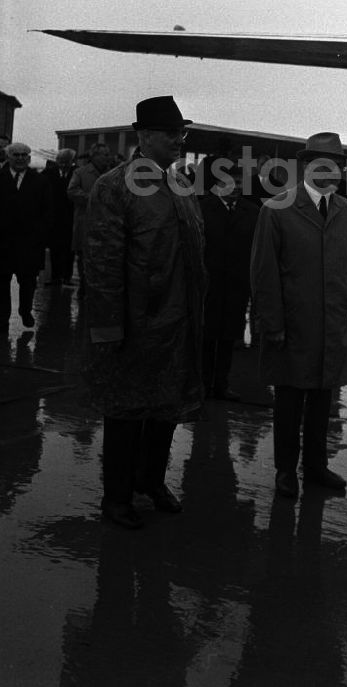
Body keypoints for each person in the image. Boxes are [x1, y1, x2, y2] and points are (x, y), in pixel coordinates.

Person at [81, 96, 207, 530]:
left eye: (182, 133)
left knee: (165, 409)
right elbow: (100, 262)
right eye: (172, 134)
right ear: (144, 136)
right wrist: (108, 327)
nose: (179, 140)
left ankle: (150, 481)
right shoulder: (115, 187)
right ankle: (116, 498)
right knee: (125, 412)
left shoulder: (181, 185)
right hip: (135, 325)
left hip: (178, 322)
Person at [251, 132, 347, 499]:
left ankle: (316, 467)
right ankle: (286, 471)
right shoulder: (277, 209)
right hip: (292, 326)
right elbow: (263, 273)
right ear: (305, 166)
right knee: (288, 401)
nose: (330, 170)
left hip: (332, 324)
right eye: (322, 163)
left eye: (336, 165)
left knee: (323, 401)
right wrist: (272, 324)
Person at [199, 158, 260, 402]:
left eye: (238, 183)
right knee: (206, 337)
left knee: (228, 338)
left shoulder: (252, 211)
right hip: (209, 284)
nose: (234, 186)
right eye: (230, 182)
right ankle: (202, 385)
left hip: (237, 285)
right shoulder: (203, 208)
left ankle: (221, 385)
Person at [1, 142, 52, 329]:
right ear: (9, 157)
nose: (21, 158)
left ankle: (25, 311)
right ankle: (2, 317)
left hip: (29, 243)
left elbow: (47, 211)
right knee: (1, 282)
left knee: (28, 282)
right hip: (3, 243)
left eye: (24, 155)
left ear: (29, 158)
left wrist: (40, 236)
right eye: (16, 154)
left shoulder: (40, 181)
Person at [67, 143, 114, 299]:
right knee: (84, 256)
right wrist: (92, 198)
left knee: (105, 256)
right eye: (104, 155)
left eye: (108, 154)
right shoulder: (80, 173)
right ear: (94, 156)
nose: (108, 158)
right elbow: (72, 191)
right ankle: (84, 284)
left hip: (108, 223)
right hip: (85, 222)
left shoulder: (114, 174)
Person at [43, 148, 77, 285]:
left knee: (70, 248)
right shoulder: (48, 174)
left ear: (72, 162)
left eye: (66, 162)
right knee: (54, 248)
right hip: (54, 217)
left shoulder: (77, 173)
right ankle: (55, 276)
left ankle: (67, 276)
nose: (63, 165)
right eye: (61, 162)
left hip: (71, 217)